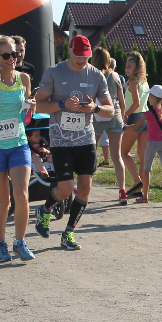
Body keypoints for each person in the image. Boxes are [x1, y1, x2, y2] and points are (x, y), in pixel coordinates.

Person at [33, 35, 114, 250]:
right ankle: (45, 210)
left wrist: (95, 109)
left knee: (85, 189)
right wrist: (62, 103)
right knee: (66, 189)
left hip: (86, 138)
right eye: (78, 56)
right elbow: (39, 105)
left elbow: (110, 110)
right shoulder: (54, 72)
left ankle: (68, 233)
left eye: (85, 57)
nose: (81, 61)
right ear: (69, 50)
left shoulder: (96, 75)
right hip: (60, 139)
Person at [0, 34, 36, 262]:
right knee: (3, 200)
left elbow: (24, 115)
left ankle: (20, 241)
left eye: (15, 53)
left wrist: (29, 107)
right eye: (7, 55)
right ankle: (0, 242)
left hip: (18, 143)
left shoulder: (24, 79)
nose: (13, 58)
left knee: (22, 194)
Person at [90, 47, 127, 198]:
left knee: (91, 154)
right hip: (114, 116)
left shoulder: (91, 75)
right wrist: (124, 118)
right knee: (117, 156)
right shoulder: (115, 76)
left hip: (97, 115)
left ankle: (83, 188)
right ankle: (122, 190)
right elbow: (122, 101)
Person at [120, 51, 149, 202]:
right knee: (142, 157)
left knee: (124, 152)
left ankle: (137, 182)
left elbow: (136, 103)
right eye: (126, 66)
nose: (127, 69)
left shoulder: (132, 82)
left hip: (135, 117)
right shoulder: (144, 81)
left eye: (129, 66)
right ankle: (144, 192)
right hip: (146, 118)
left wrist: (124, 114)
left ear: (137, 67)